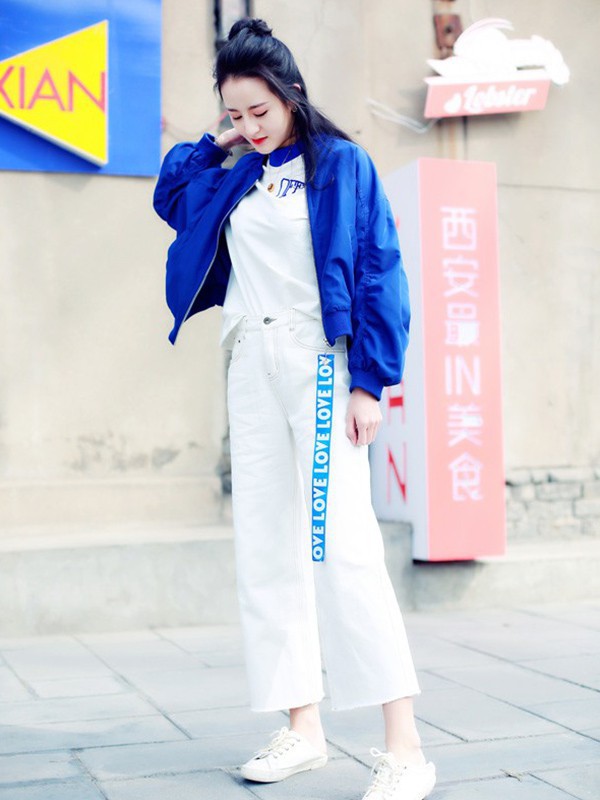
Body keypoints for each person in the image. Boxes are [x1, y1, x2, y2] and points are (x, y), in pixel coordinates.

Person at [153, 17, 436, 800]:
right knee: (266, 549)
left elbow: (380, 270)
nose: (249, 126)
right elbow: (170, 197)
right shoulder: (236, 172)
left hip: (319, 367)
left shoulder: (339, 165)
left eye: (260, 111)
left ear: (292, 95)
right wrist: (217, 142)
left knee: (342, 546)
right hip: (251, 363)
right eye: (234, 113)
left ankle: (405, 745)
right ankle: (302, 727)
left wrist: (368, 383)